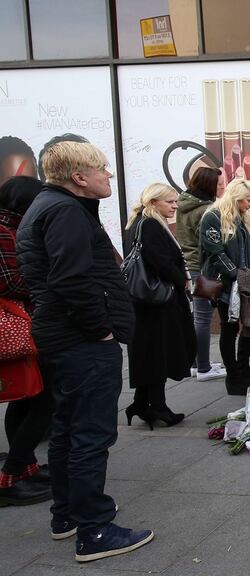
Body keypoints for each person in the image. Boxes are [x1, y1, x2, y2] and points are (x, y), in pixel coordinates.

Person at [16, 141, 153, 561]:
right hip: (80, 341)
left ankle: (68, 516)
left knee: (67, 429)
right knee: (90, 433)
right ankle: (93, 530)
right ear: (79, 177)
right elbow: (71, 279)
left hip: (63, 337)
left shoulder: (49, 206)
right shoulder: (63, 211)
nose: (109, 175)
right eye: (103, 169)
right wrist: (101, 331)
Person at [124, 183, 197, 428]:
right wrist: (182, 281)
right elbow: (161, 262)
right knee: (159, 353)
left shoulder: (139, 222)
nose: (174, 206)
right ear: (153, 202)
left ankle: (141, 403)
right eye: (169, 202)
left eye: (175, 201)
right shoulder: (151, 225)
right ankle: (157, 405)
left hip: (147, 301)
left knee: (150, 353)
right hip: (158, 301)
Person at [0, 176, 49, 507]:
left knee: (28, 395)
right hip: (19, 321)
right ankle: (11, 476)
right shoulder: (4, 233)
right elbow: (13, 282)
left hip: (27, 319)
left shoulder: (12, 229)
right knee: (45, 400)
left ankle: (25, 466)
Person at [200, 178, 250, 395]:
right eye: (248, 200)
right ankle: (234, 376)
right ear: (236, 197)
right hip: (225, 283)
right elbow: (215, 252)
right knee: (230, 327)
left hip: (244, 280)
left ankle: (242, 368)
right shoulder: (213, 216)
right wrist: (235, 274)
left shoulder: (243, 217)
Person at [175, 166, 227, 381]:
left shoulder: (186, 203)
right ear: (209, 186)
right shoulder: (206, 210)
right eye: (220, 185)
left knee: (198, 315)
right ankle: (204, 368)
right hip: (201, 266)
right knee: (203, 317)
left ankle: (197, 363)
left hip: (190, 263)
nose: (223, 188)